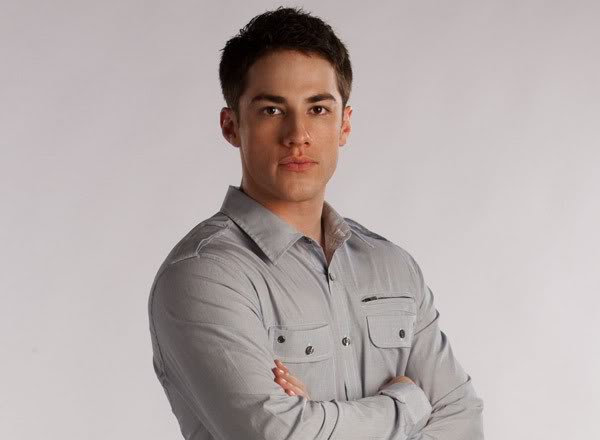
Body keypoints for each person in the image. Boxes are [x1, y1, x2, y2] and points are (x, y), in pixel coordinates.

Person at [148, 6, 484, 440]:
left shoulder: (391, 266)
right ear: (231, 126)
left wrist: (315, 419)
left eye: (318, 109)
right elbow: (277, 435)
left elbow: (463, 422)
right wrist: (408, 404)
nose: (297, 135)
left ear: (344, 124)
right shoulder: (204, 276)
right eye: (272, 110)